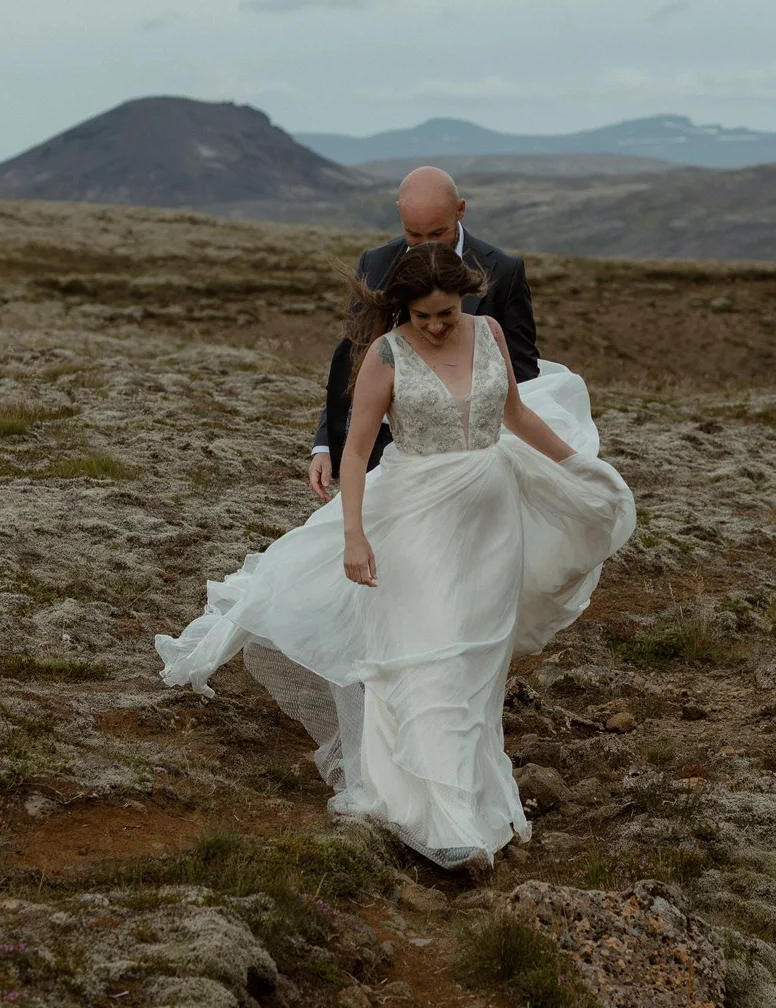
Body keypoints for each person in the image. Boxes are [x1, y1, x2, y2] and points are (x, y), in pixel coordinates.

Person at [156, 243, 634, 872]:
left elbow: (515, 415)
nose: (435, 326)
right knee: (426, 653)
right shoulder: (385, 355)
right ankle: (436, 819)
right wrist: (354, 536)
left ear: (463, 299)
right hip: (417, 521)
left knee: (476, 660)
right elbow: (356, 453)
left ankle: (469, 796)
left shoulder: (489, 333)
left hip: (492, 524)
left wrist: (579, 467)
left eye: (446, 314)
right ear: (403, 309)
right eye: (422, 316)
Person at [309, 165, 538, 494]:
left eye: (437, 234)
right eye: (413, 235)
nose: (424, 246)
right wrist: (325, 444)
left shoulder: (503, 271)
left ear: (460, 210)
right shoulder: (374, 263)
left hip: (468, 462)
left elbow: (523, 372)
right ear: (400, 214)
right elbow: (354, 360)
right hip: (377, 448)